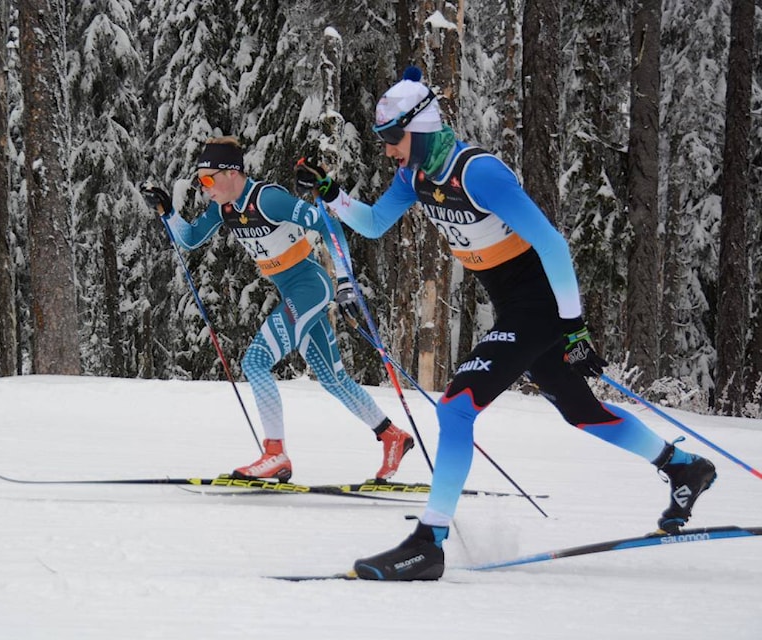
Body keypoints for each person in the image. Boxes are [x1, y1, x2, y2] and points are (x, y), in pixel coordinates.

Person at [295, 67, 717, 580]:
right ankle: (681, 466)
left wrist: (575, 326)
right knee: (582, 412)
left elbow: (553, 243)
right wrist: (333, 193)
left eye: (393, 138)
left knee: (455, 408)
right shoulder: (415, 177)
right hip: (516, 308)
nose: (388, 150)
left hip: (540, 307)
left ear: (422, 128)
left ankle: (429, 542)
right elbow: (374, 223)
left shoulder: (479, 173)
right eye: (383, 140)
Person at [140, 136, 415, 482]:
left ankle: (275, 454)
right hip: (292, 292)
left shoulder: (267, 199)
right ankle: (392, 436)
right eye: (200, 181)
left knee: (255, 361)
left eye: (208, 179)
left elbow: (329, 225)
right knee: (332, 378)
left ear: (232, 173)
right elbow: (192, 239)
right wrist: (168, 212)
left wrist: (345, 282)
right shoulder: (223, 208)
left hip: (311, 287)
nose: (204, 188)